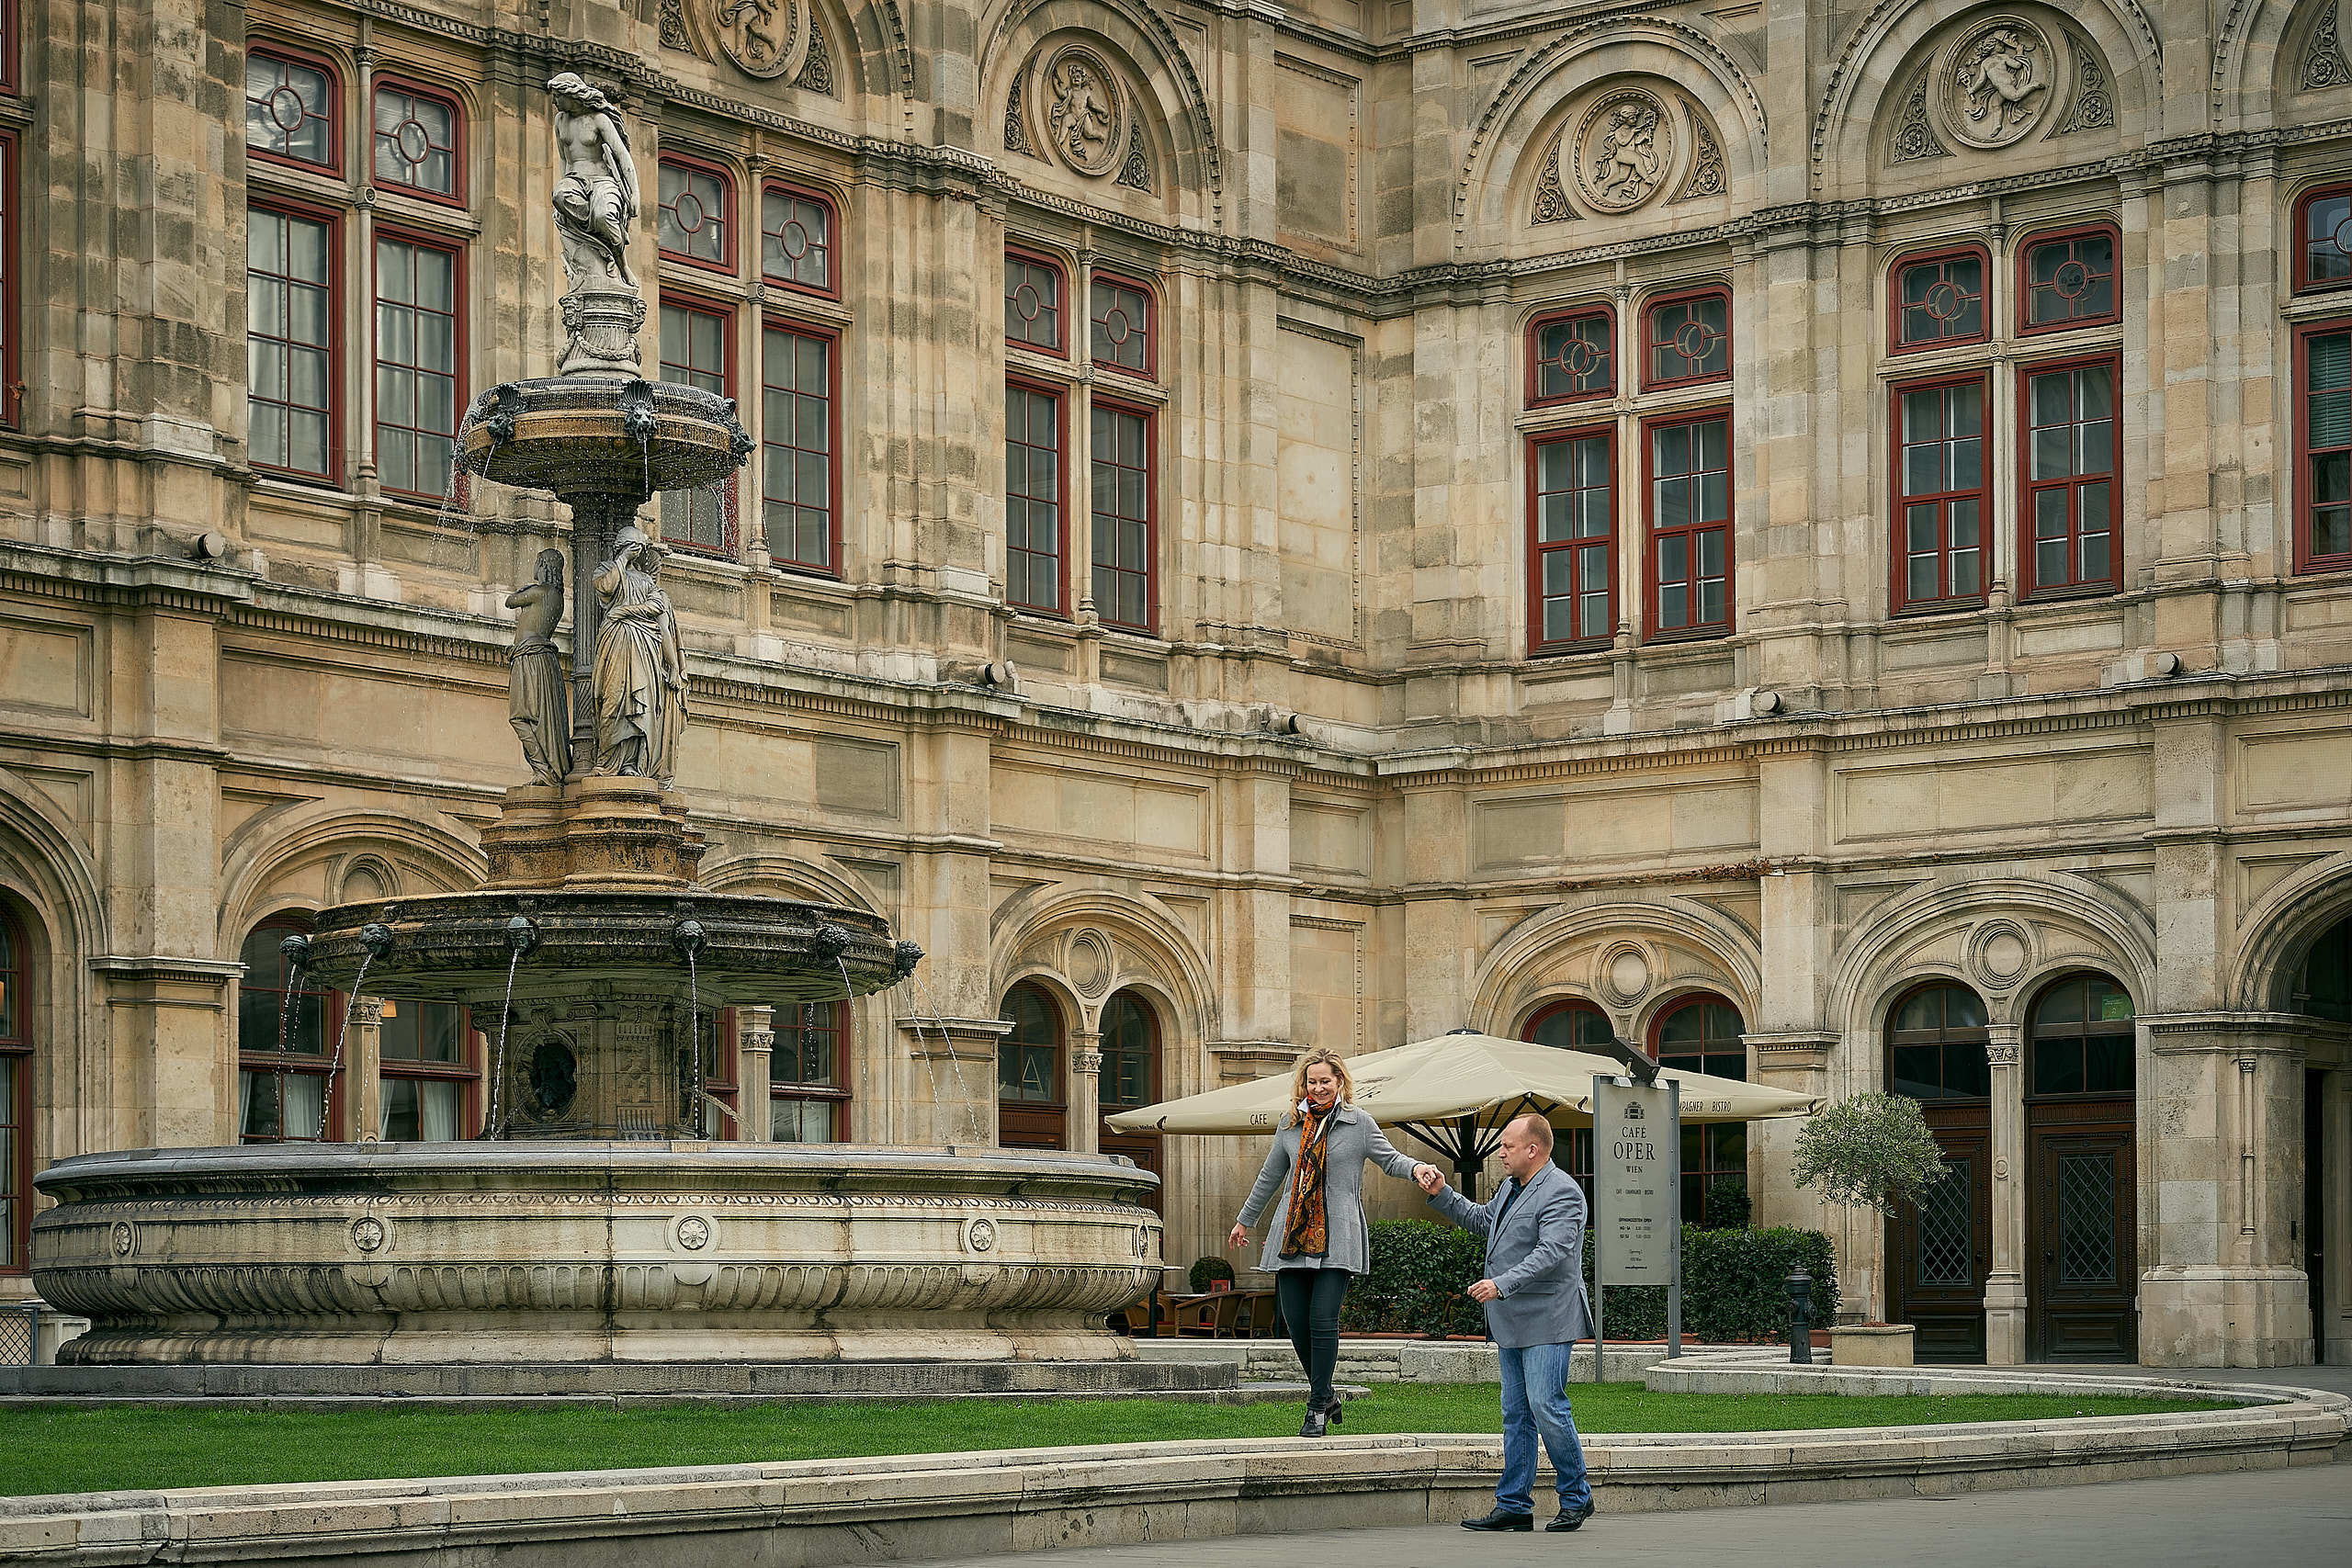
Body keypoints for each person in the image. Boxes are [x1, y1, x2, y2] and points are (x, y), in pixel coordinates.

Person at [1229, 1048, 1442, 1437]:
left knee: (1322, 1319)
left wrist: (1418, 1168)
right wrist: (1245, 1219)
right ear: (1304, 1085)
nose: (1319, 1087)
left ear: (1340, 1082)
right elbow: (1270, 1175)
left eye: (1326, 1081)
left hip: (1338, 1235)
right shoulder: (1290, 1123)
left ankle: (1316, 1408)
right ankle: (1326, 1394)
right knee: (1295, 1323)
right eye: (1312, 1082)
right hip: (1292, 1235)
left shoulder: (1358, 1123)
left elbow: (1390, 1159)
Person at [1416, 1112, 1596, 1533]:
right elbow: (1483, 1221)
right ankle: (1514, 1504)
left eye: (1507, 1146)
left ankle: (1576, 1497)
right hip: (1512, 1319)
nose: (1500, 1152)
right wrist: (1443, 1193)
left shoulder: (1563, 1193)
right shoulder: (1511, 1188)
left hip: (1550, 1317)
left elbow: (1552, 1252)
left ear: (1533, 1149)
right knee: (1516, 1413)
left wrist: (1501, 1283)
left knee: (1546, 1405)